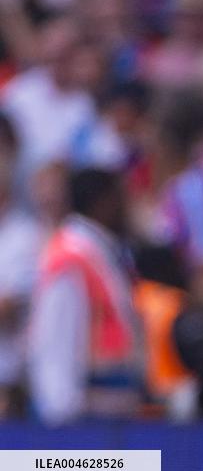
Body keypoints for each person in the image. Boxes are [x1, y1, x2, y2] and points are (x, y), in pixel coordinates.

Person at [27, 167, 143, 425]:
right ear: (104, 203)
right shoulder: (69, 259)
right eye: (122, 199)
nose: (129, 209)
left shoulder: (101, 254)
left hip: (111, 417)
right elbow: (57, 342)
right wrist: (62, 431)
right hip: (81, 424)